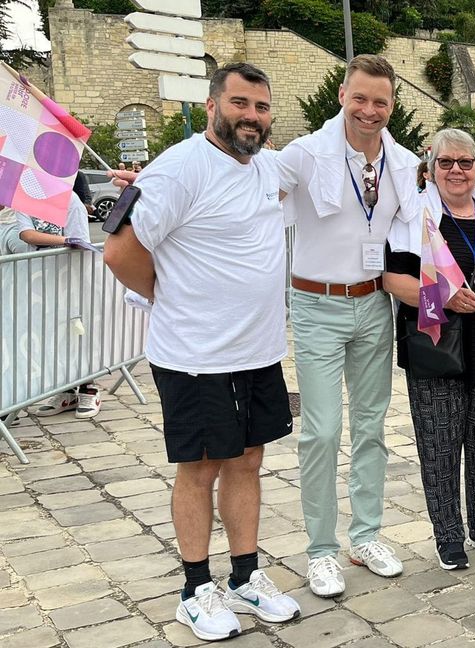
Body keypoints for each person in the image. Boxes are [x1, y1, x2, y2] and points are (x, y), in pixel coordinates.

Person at [103, 62, 300, 642]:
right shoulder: (179, 169)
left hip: (257, 351)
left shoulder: (264, 167)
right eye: (240, 104)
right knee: (200, 468)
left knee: (247, 462)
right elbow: (119, 252)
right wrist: (164, 296)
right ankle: (195, 586)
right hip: (195, 355)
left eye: (262, 108)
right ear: (213, 105)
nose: (252, 117)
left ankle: (245, 574)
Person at [278, 54, 420, 596]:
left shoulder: (402, 162)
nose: (369, 110)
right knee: (321, 431)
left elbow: (415, 231)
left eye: (380, 101)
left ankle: (365, 535)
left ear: (391, 106)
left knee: (371, 428)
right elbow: (248, 182)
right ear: (343, 95)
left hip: (373, 306)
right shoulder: (306, 153)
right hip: (316, 304)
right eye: (360, 98)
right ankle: (320, 550)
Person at [384, 128, 475, 571]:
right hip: (437, 347)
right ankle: (448, 534)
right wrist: (441, 296)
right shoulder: (414, 219)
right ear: (431, 168)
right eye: (446, 163)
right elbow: (393, 280)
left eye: (465, 162)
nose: (456, 170)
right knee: (440, 445)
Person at [9, 199, 101, 418]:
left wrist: (69, 242)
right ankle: (65, 389)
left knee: (75, 330)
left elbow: (81, 242)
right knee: (51, 332)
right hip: (41, 278)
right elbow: (26, 234)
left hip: (70, 276)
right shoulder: (25, 203)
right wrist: (65, 240)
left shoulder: (72, 203)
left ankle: (89, 387)